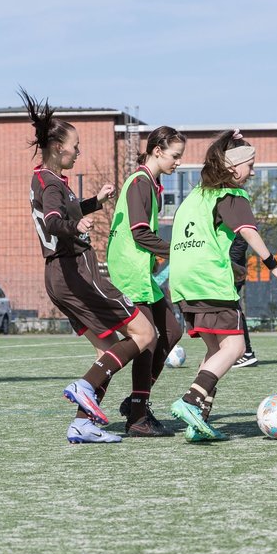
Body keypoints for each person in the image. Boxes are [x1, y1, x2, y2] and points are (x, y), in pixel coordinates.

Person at [23, 90, 157, 444]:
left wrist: (92, 204)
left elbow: (61, 213)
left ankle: (82, 424)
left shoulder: (47, 180)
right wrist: (74, 227)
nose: (78, 151)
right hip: (76, 273)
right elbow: (54, 222)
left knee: (107, 349)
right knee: (145, 334)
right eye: (75, 145)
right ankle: (84, 385)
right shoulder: (50, 184)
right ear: (57, 147)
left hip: (61, 277)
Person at [168, 130, 277, 441]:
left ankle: (198, 423)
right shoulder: (231, 195)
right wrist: (274, 268)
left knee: (214, 350)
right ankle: (191, 401)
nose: (253, 171)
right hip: (210, 280)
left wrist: (229, 142)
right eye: (251, 164)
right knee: (235, 348)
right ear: (234, 167)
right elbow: (248, 232)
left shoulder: (197, 195)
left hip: (183, 282)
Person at [106, 125, 187, 437]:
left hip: (143, 272)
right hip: (131, 271)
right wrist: (177, 252)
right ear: (157, 150)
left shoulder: (151, 183)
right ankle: (137, 415)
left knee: (172, 331)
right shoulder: (140, 182)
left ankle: (135, 403)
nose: (178, 162)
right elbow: (140, 232)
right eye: (175, 156)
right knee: (148, 339)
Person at [230, 234, 259, 367]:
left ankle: (245, 352)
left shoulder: (233, 214)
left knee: (232, 307)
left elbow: (241, 241)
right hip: (221, 270)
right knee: (227, 308)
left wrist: (230, 266)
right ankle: (227, 352)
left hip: (230, 271)